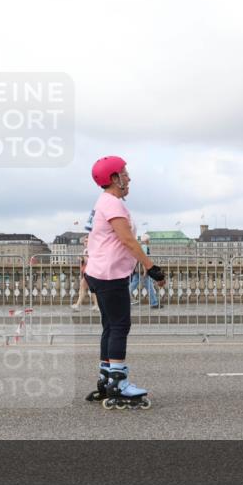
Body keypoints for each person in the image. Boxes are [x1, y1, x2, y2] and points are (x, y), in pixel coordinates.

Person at [83, 156, 166, 409]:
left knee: (109, 326)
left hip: (97, 272)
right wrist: (153, 269)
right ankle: (118, 383)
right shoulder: (114, 205)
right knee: (119, 325)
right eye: (125, 173)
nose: (129, 177)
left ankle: (106, 377)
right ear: (114, 179)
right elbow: (129, 241)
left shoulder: (104, 202)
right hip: (110, 275)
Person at [129, 234, 161, 308]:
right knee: (149, 286)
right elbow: (143, 259)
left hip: (138, 270)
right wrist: (145, 271)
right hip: (142, 270)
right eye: (149, 240)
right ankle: (154, 303)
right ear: (146, 240)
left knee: (133, 286)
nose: (149, 241)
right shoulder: (144, 247)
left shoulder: (139, 246)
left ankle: (154, 303)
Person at [71, 235, 98, 311]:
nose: (86, 242)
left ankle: (78, 305)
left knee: (87, 289)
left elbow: (89, 261)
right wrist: (81, 258)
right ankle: (96, 305)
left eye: (87, 241)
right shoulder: (86, 250)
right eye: (85, 241)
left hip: (90, 271)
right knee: (88, 289)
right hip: (87, 272)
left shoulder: (89, 250)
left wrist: (82, 257)